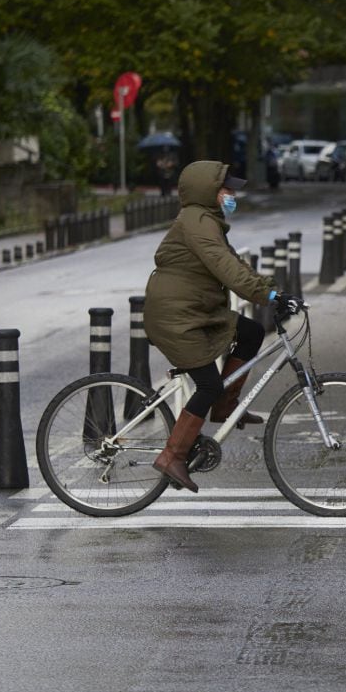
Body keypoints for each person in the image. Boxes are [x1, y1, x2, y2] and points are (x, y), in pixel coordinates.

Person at [144, 160, 289, 493]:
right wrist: (268, 296)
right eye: (226, 190)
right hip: (177, 317)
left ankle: (226, 406)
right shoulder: (196, 221)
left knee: (251, 332)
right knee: (208, 385)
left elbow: (238, 265)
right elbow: (227, 270)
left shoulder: (208, 221)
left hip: (197, 312)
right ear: (208, 191)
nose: (231, 195)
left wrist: (276, 291)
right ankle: (172, 456)